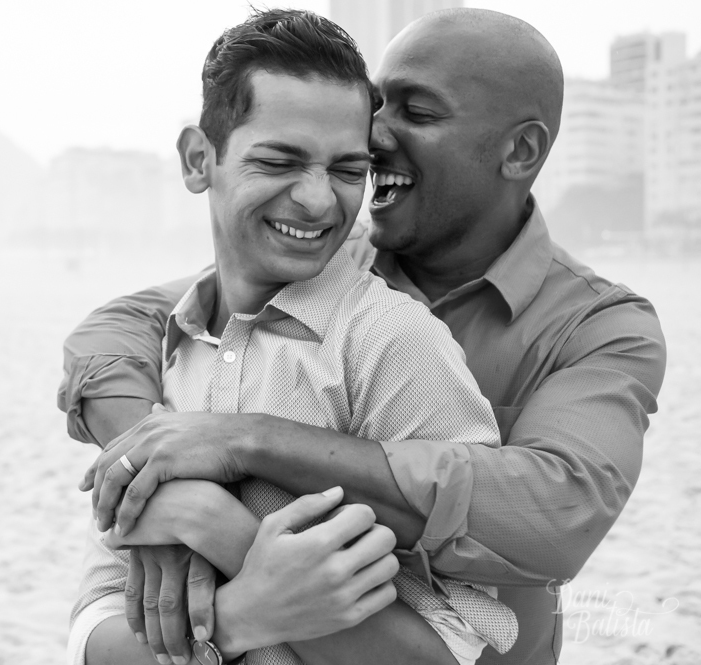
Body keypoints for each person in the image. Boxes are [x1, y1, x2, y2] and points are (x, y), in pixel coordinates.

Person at [62, 7, 667, 665]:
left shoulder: (600, 327)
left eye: (417, 111)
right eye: (377, 106)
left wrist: (243, 446)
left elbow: (551, 519)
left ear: (518, 151)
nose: (374, 134)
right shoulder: (321, 255)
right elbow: (119, 327)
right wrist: (163, 490)